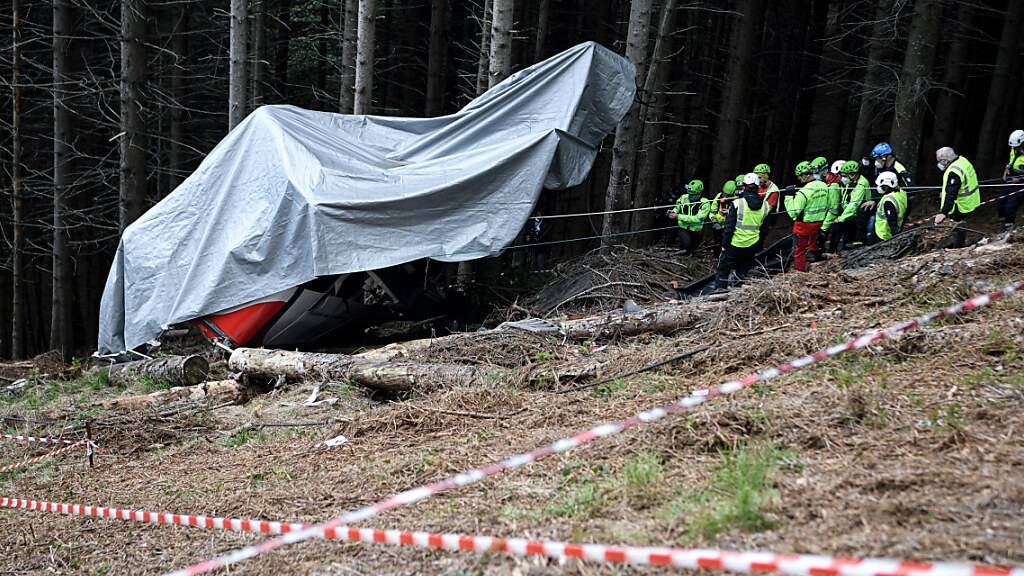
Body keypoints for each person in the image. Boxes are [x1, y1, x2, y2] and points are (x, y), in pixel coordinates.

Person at [714, 173, 766, 290]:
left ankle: (719, 292)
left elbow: (729, 227)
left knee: (723, 270)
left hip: (734, 244)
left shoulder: (737, 203)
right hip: (752, 244)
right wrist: (758, 244)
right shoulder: (765, 206)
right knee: (743, 272)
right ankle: (738, 294)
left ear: (744, 186)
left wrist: (724, 244)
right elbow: (764, 228)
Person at [784, 160, 830, 272]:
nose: (799, 179)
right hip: (819, 223)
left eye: (799, 176)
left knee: (799, 251)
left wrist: (788, 197)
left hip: (804, 226)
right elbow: (829, 204)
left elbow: (793, 213)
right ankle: (814, 264)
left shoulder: (804, 192)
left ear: (805, 175)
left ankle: (800, 272)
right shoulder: (824, 186)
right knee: (812, 246)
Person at [933, 146, 980, 248]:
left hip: (962, 204)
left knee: (955, 224)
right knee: (960, 224)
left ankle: (956, 246)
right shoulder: (962, 160)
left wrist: (943, 212)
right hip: (971, 199)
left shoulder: (954, 172)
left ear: (945, 161)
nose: (939, 163)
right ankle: (958, 243)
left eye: (940, 161)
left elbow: (951, 194)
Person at [824, 160, 870, 252]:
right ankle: (832, 250)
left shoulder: (861, 184)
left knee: (841, 224)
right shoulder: (848, 183)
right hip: (849, 212)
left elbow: (854, 203)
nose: (842, 178)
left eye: (844, 176)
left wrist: (841, 218)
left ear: (853, 175)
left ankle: (839, 249)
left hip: (859, 213)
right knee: (838, 226)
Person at [667, 179, 710, 255]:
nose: (690, 196)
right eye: (689, 194)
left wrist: (678, 216)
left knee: (693, 248)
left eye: (693, 195)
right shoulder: (683, 197)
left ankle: (688, 262)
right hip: (683, 227)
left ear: (699, 193)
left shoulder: (705, 203)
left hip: (696, 230)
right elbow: (677, 207)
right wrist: (673, 211)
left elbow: (697, 219)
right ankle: (680, 259)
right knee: (686, 245)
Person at [871, 171, 908, 243]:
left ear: (887, 186)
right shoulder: (902, 193)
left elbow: (892, 221)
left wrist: (896, 237)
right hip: (896, 229)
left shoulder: (888, 201)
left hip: (884, 235)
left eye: (881, 186)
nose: (879, 188)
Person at [999, 129, 1024, 230]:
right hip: (1012, 176)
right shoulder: (1014, 149)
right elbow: (1011, 159)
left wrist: (1019, 180)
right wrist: (1007, 169)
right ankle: (1004, 221)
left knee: (1010, 206)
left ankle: (1009, 225)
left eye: (1017, 147)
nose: (1014, 148)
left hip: (1021, 183)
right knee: (1001, 202)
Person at [709, 179, 738, 249]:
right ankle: (716, 257)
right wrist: (714, 221)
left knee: (728, 245)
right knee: (717, 245)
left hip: (729, 227)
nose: (725, 196)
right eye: (724, 194)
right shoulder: (719, 196)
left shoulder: (737, 200)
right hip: (717, 225)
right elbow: (712, 211)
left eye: (728, 195)